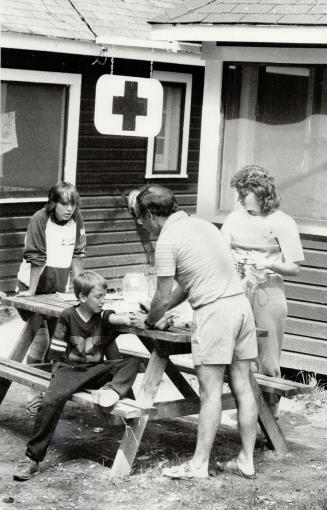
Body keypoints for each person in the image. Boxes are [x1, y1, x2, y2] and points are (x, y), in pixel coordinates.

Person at [129, 184, 258, 479]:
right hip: (240, 307)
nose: (142, 226)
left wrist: (150, 321)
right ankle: (245, 460)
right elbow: (187, 284)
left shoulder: (166, 240)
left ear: (150, 214)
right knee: (242, 385)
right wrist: (159, 311)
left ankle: (199, 464)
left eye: (140, 219)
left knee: (210, 391)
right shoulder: (202, 225)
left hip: (214, 312)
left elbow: (161, 297)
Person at [13, 270, 139, 481]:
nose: (102, 301)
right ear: (82, 297)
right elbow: (55, 353)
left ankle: (112, 391)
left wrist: (132, 317)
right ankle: (32, 459)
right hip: (69, 370)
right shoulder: (67, 316)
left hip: (94, 371)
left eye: (104, 296)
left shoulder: (104, 317)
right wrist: (58, 383)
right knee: (50, 403)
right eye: (98, 297)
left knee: (132, 363)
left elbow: (117, 318)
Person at [221, 165, 304, 415]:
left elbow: (294, 268)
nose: (240, 199)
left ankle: (269, 417)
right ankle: (246, 409)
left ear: (260, 192)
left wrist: (268, 263)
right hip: (237, 291)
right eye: (239, 193)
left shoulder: (282, 222)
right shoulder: (234, 218)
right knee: (240, 354)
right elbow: (221, 251)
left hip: (268, 292)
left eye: (244, 193)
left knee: (267, 358)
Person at [16, 181, 87, 416]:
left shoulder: (77, 220)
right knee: (39, 339)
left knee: (59, 342)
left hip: (58, 287)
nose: (69, 209)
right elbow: (36, 255)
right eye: (64, 204)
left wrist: (80, 290)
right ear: (53, 203)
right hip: (33, 283)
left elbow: (78, 255)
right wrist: (31, 293)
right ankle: (32, 395)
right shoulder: (39, 218)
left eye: (73, 204)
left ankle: (50, 393)